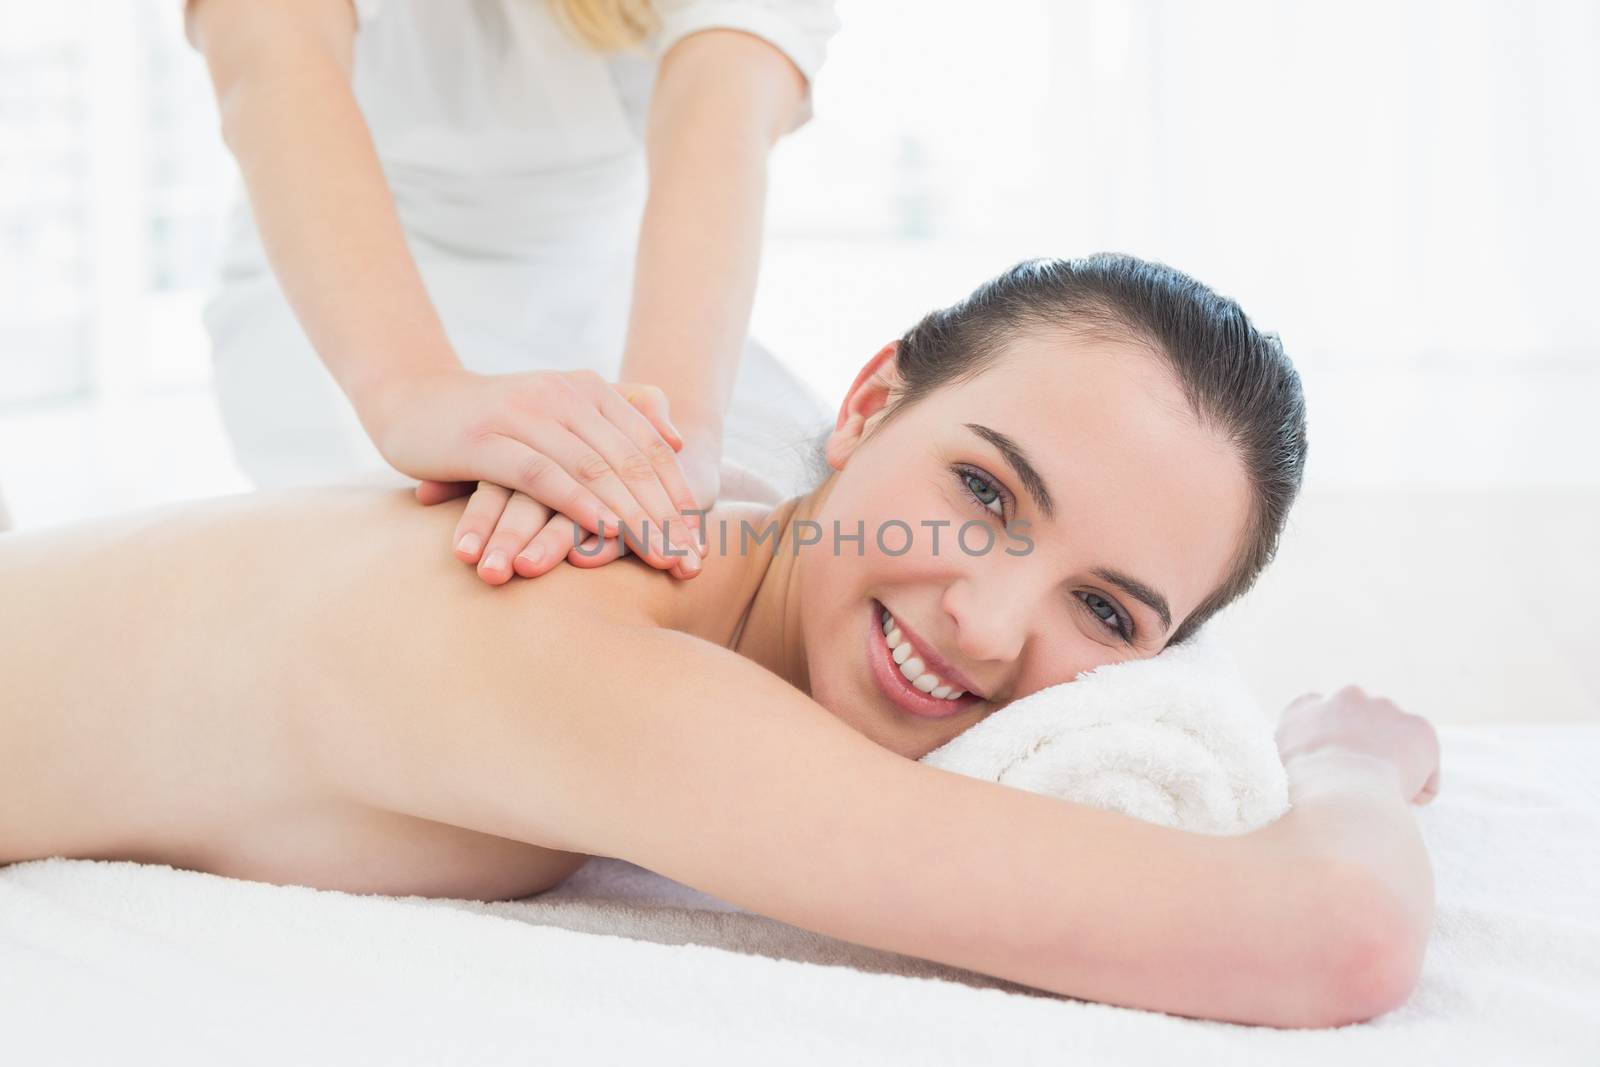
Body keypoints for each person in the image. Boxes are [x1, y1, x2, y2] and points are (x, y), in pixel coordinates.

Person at [0, 256, 1440, 1028]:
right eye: (983, 491)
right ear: (870, 400)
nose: (992, 622)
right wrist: (1347, 760)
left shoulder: (729, 529)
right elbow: (1339, 933)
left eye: (1111, 612)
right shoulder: (599, 656)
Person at [184, 0, 839, 585]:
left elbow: (722, 108)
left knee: (774, 536)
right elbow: (272, 66)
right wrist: (413, 390)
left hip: (623, 287)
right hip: (350, 285)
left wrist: (666, 437)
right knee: (443, 584)